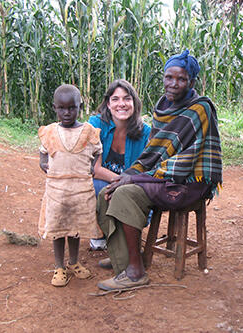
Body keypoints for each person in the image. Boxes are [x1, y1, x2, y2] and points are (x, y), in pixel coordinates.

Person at [95, 50, 223, 291]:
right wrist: (132, 174)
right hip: (162, 178)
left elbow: (187, 159)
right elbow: (154, 152)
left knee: (123, 193)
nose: (173, 84)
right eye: (169, 77)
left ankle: (135, 273)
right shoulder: (162, 107)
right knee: (108, 192)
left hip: (187, 183)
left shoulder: (200, 110)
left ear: (191, 82)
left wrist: (139, 178)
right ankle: (122, 259)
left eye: (181, 79)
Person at [38, 84, 102, 287]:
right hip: (57, 190)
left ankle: (73, 262)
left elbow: (98, 151)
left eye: (72, 108)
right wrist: (42, 162)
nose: (67, 113)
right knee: (58, 228)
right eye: (62, 108)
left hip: (80, 190)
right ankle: (59, 267)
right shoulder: (50, 132)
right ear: (54, 108)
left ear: (80, 107)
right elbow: (43, 151)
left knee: (75, 228)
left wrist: (92, 166)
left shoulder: (88, 131)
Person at [87, 79, 151, 251]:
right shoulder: (95, 125)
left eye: (127, 99)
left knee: (128, 192)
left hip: (130, 187)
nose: (121, 104)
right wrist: (122, 180)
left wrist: (127, 183)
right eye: (115, 99)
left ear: (134, 103)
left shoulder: (146, 133)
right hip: (106, 182)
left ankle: (122, 235)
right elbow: (95, 169)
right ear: (108, 104)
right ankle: (99, 232)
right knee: (94, 186)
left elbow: (148, 171)